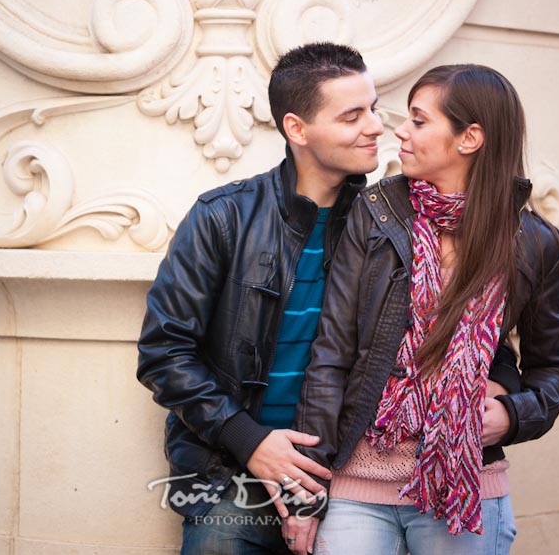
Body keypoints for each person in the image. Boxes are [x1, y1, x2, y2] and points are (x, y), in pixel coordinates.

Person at [137, 44, 521, 555]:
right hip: (230, 469)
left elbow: (470, 333)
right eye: (351, 115)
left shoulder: (391, 224)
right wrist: (248, 440)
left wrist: (507, 401)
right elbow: (164, 353)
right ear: (298, 130)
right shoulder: (222, 218)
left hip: (344, 474)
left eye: (372, 107)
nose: (377, 127)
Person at [292, 63, 559, 555]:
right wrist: (308, 494)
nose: (399, 130)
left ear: (469, 138)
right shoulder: (376, 214)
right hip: (357, 489)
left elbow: (552, 367)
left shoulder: (534, 244)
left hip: (462, 491)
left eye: (419, 121)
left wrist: (511, 415)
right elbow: (331, 355)